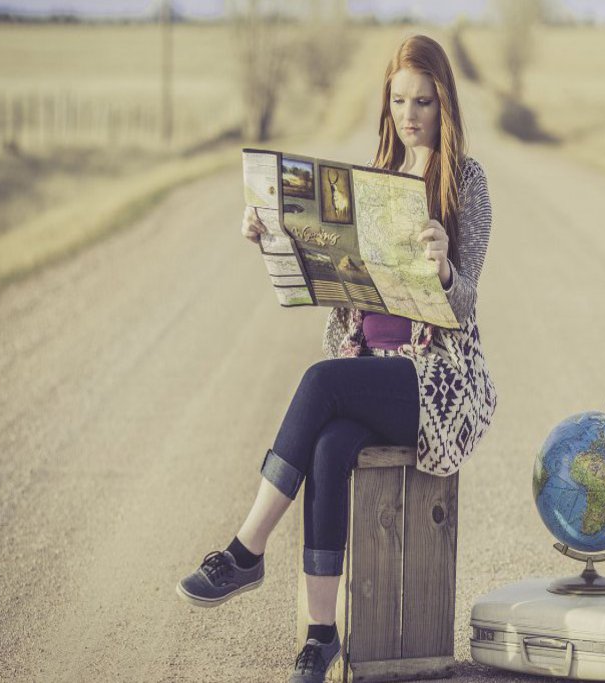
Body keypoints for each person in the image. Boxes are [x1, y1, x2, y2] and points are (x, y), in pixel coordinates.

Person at [175, 34, 497, 683]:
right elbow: (328, 277)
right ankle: (321, 638)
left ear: (445, 104)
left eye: (424, 102)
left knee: (320, 382)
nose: (411, 114)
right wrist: (269, 232)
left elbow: (465, 306)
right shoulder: (375, 180)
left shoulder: (466, 183)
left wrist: (443, 271)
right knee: (327, 447)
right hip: (369, 368)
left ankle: (246, 548)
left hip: (431, 382)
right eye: (400, 100)